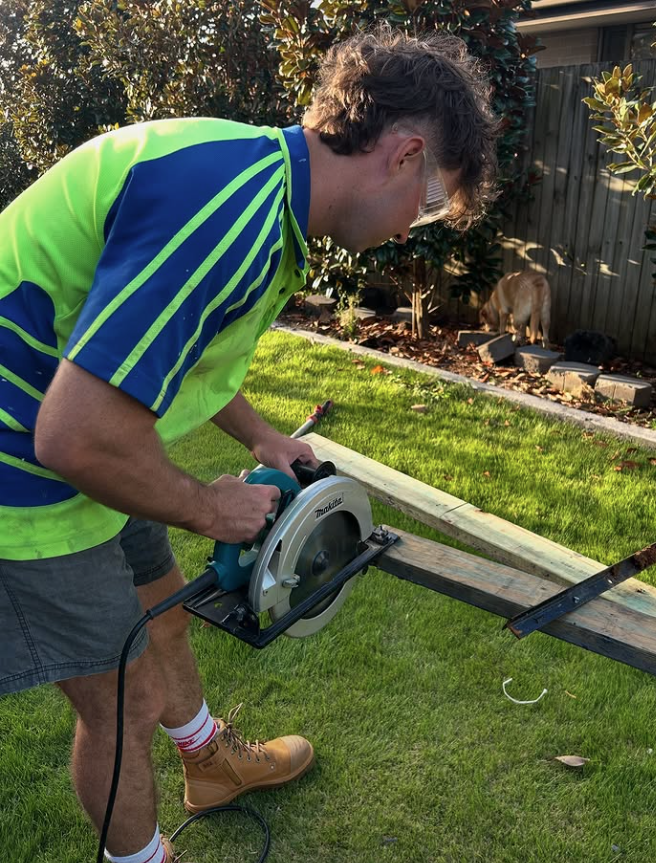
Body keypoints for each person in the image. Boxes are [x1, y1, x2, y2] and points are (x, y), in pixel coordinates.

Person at [0, 24, 498, 863]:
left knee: (160, 612)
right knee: (120, 701)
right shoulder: (229, 214)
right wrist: (207, 504)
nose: (416, 227)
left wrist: (265, 438)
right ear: (405, 153)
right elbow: (72, 436)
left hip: (97, 425)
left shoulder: (263, 188)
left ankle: (209, 765)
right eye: (430, 202)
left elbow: (170, 347)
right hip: (27, 464)